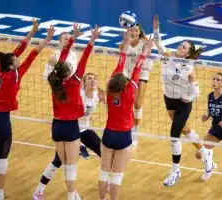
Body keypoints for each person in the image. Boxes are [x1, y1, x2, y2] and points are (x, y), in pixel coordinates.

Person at [0, 20, 54, 200]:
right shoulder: (16, 73)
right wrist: (47, 38)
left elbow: (20, 48)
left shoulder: (0, 68)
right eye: (15, 60)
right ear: (12, 66)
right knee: (2, 158)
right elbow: (34, 52)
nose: (18, 58)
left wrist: (32, 31)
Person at [152, 15, 213, 186]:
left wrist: (188, 97)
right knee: (185, 130)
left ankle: (175, 170)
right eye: (181, 44)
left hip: (183, 103)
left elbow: (197, 92)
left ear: (188, 52)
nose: (180, 47)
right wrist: (156, 29)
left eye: (184, 47)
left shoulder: (189, 68)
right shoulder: (168, 56)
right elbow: (158, 43)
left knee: (174, 135)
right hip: (168, 100)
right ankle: (206, 154)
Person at [46, 23, 101, 200]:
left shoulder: (54, 81)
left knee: (63, 163)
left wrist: (72, 41)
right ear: (69, 71)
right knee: (71, 166)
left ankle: (74, 195)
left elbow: (62, 59)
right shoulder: (76, 81)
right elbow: (84, 57)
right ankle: (72, 196)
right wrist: (90, 39)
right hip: (71, 128)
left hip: (56, 126)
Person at [98, 29, 154, 200]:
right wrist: (145, 50)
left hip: (109, 133)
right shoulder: (130, 90)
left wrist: (127, 42)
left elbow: (122, 61)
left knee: (104, 172)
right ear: (126, 83)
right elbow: (137, 66)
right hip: (124, 136)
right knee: (116, 176)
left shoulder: (109, 90)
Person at [32, 72, 105, 200]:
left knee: (105, 154)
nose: (93, 81)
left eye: (95, 79)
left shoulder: (96, 96)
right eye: (89, 78)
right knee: (58, 162)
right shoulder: (79, 96)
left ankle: (108, 182)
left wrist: (104, 100)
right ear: (83, 83)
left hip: (85, 130)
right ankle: (39, 190)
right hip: (71, 130)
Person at [119, 23, 154, 146]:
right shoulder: (126, 41)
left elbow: (148, 51)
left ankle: (135, 129)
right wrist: (126, 40)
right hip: (127, 73)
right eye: (132, 30)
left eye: (136, 31)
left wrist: (148, 45)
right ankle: (126, 126)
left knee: (138, 104)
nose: (134, 32)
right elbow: (120, 48)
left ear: (140, 32)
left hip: (142, 73)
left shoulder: (144, 43)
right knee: (126, 101)